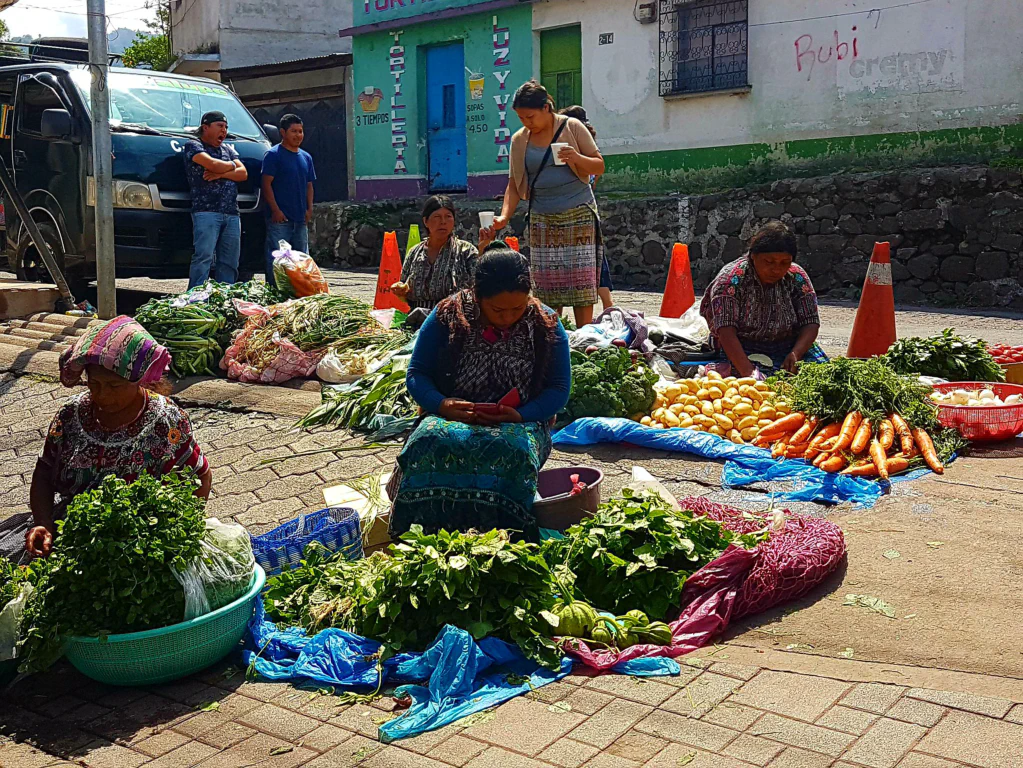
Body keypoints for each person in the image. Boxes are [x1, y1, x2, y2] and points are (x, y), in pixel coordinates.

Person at [388, 243, 571, 542]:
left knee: (513, 451)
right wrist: (442, 403)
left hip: (520, 421)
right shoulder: (447, 315)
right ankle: (417, 535)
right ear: (476, 294)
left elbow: (559, 389)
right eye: (497, 309)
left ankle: (512, 537)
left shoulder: (545, 323)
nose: (508, 317)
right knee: (429, 442)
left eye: (517, 307)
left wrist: (522, 414)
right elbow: (417, 374)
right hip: (450, 415)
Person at [0, 317, 213, 562]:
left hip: (141, 541)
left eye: (114, 386)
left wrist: (178, 532)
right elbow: (44, 473)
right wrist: (44, 524)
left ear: (139, 380)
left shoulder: (166, 421)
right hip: (72, 533)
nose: (102, 395)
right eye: (94, 384)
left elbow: (200, 475)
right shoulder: (71, 415)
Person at [483, 81, 605, 328]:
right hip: (542, 215)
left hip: (578, 210)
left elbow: (598, 165)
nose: (526, 122)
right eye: (521, 117)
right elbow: (515, 184)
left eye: (530, 116)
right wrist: (504, 217)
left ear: (547, 108)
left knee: (581, 280)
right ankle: (552, 333)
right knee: (547, 282)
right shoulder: (519, 140)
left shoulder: (572, 127)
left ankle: (583, 336)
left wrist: (576, 157)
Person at [699, 221, 827, 377]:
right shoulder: (730, 280)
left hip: (788, 345)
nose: (776, 269)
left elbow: (811, 321)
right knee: (748, 381)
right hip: (741, 346)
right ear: (753, 256)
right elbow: (726, 332)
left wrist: (796, 354)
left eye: (784, 263)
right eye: (769, 262)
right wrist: (750, 374)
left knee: (825, 375)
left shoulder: (797, 276)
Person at [559, 105, 614, 312]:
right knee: (596, 258)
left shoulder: (571, 146)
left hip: (572, 210)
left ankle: (606, 305)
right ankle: (608, 305)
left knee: (569, 262)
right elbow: (595, 178)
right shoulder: (590, 146)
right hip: (588, 207)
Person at [184, 110, 248, 289]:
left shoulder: (228, 149)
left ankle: (224, 297)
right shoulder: (194, 146)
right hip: (207, 212)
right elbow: (211, 164)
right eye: (220, 126)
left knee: (229, 261)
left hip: (231, 213)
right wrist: (231, 167)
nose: (224, 131)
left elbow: (243, 174)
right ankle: (196, 297)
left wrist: (222, 172)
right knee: (203, 257)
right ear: (206, 127)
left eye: (226, 127)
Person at [391, 195, 484, 312]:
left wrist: (484, 249)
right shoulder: (414, 252)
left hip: (455, 318)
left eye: (448, 217)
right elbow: (404, 285)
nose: (443, 222)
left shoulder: (466, 251)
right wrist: (401, 289)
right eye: (437, 217)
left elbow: (480, 284)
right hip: (418, 318)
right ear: (426, 221)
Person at [261, 113, 317, 287]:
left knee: (302, 260)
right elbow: (266, 184)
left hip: (300, 219)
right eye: (294, 131)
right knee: (277, 260)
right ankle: (274, 292)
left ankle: (300, 292)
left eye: (300, 131)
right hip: (280, 220)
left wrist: (309, 209)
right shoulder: (273, 155)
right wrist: (275, 210)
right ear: (283, 133)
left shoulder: (306, 157)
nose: (298, 135)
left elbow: (309, 185)